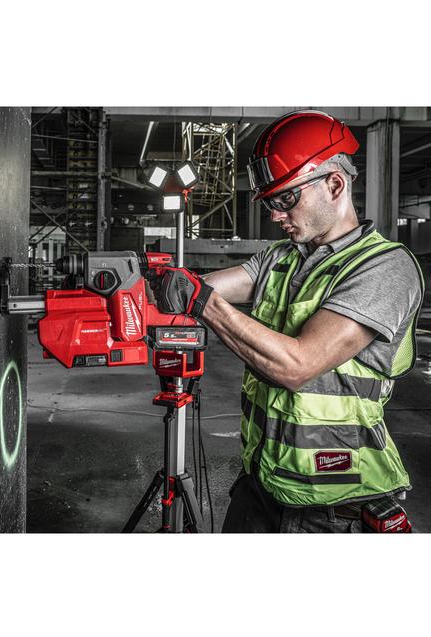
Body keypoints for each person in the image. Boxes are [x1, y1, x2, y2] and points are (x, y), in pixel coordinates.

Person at [148, 110, 425, 533]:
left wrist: (202, 301)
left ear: (335, 185)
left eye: (285, 199)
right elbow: (202, 288)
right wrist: (153, 283)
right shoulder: (279, 258)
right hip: (261, 485)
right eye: (270, 203)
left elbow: (297, 365)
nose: (276, 214)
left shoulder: (384, 267)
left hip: (334, 507)